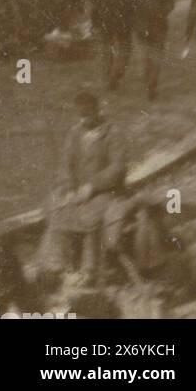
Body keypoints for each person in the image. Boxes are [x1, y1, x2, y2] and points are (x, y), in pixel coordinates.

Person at [52, 91, 127, 283]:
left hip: (108, 191)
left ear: (97, 110)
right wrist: (69, 188)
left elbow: (118, 167)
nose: (84, 119)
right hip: (79, 192)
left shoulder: (112, 132)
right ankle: (67, 268)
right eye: (81, 115)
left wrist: (92, 186)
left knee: (90, 217)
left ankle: (92, 270)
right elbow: (65, 165)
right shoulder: (74, 133)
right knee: (59, 213)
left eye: (88, 114)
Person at [89, 0, 136, 89]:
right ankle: (114, 74)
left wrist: (94, 18)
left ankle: (111, 75)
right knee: (121, 47)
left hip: (108, 17)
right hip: (118, 17)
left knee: (109, 47)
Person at [133, 0, 175, 101]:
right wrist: (162, 13)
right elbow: (170, 4)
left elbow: (129, 3)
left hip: (141, 25)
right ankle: (153, 83)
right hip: (158, 24)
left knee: (145, 55)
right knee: (157, 55)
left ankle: (148, 79)